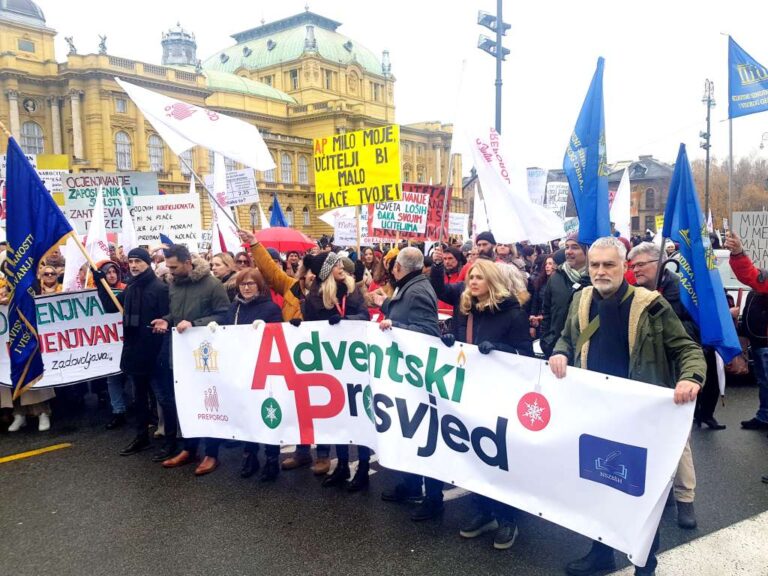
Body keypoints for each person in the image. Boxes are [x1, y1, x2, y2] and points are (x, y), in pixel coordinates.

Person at [550, 237, 706, 576]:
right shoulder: (582, 301)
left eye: (609, 264)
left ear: (625, 267)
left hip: (640, 418)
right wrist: (560, 352)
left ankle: (645, 563)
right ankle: (600, 553)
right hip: (595, 413)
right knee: (597, 485)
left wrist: (690, 377)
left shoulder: (651, 305)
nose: (601, 271)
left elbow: (687, 349)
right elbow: (570, 338)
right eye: (595, 265)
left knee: (641, 495)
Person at [627, 242, 708, 530]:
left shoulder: (679, 292)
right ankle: (662, 493)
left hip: (675, 377)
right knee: (649, 439)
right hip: (647, 376)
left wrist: (661, 327)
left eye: (641, 265)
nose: (635, 270)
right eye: (632, 265)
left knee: (679, 442)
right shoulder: (636, 295)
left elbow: (693, 332)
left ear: (659, 262)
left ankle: (686, 500)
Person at [374, 247, 445, 521]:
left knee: (424, 436)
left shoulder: (416, 290)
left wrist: (395, 327)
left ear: (399, 268)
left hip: (417, 374)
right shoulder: (411, 286)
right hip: (405, 372)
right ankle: (412, 485)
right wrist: (386, 306)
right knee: (409, 433)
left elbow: (428, 331)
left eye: (393, 266)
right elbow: (402, 313)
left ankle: (433, 497)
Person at [236, 229, 315, 471]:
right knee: (296, 403)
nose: (311, 276)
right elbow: (270, 271)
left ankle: (321, 453)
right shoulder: (291, 287)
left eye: (316, 272)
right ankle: (302, 451)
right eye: (308, 271)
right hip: (289, 356)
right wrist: (255, 245)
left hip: (316, 357)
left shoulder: (328, 293)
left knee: (316, 404)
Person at [151, 244, 230, 476]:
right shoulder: (174, 284)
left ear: (188, 263)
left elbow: (224, 314)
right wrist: (167, 320)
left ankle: (212, 453)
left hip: (207, 357)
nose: (170, 271)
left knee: (209, 404)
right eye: (168, 267)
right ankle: (190, 448)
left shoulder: (212, 284)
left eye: (174, 267)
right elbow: (177, 315)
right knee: (186, 403)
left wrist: (195, 324)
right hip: (182, 355)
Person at [94, 248, 176, 460]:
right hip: (134, 351)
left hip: (155, 353)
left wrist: (162, 352)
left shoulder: (159, 288)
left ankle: (171, 442)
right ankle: (142, 436)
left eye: (138, 261)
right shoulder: (130, 287)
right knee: (139, 399)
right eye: (130, 261)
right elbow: (111, 307)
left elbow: (170, 319)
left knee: (164, 399)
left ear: (147, 263)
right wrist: (100, 284)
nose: (133, 265)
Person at [299, 251, 370, 486]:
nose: (341, 266)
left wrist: (347, 321)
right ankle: (341, 465)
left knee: (358, 416)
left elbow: (365, 316)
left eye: (340, 262)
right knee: (338, 416)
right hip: (330, 364)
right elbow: (309, 329)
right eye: (336, 264)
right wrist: (298, 327)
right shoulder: (313, 297)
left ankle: (362, 469)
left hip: (354, 360)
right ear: (326, 271)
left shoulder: (352, 289)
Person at [217, 268, 283, 481]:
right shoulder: (234, 307)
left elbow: (280, 336)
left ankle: (272, 459)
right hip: (241, 369)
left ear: (259, 286)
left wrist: (268, 329)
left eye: (250, 284)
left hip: (264, 370)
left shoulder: (270, 308)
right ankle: (250, 455)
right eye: (242, 284)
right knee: (246, 413)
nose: (246, 288)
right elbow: (227, 331)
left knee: (267, 414)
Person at [724, 231, 768, 432]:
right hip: (759, 341)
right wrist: (738, 252)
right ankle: (764, 416)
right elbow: (749, 274)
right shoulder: (764, 278)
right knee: (763, 381)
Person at [540, 233, 590, 358]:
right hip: (556, 348)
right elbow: (547, 312)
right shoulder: (555, 277)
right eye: (567, 247)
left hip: (584, 350)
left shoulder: (595, 279)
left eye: (575, 247)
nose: (568, 251)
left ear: (587, 251)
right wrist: (546, 339)